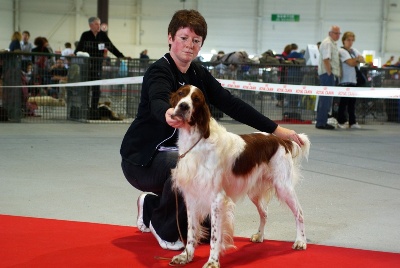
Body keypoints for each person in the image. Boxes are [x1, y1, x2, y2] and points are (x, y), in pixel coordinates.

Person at [120, 9, 304, 251]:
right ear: (170, 38)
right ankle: (162, 226)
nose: (189, 45)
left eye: (196, 41)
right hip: (143, 159)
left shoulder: (197, 73)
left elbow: (231, 104)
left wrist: (277, 130)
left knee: (205, 231)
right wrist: (167, 112)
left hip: (179, 153)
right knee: (185, 166)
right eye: (184, 38)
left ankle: (151, 206)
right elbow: (157, 98)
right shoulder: (159, 70)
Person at [74, 17, 126, 114]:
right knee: (85, 87)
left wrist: (120, 56)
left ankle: (94, 108)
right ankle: (84, 107)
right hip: (86, 66)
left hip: (97, 66)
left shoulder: (102, 35)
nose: (99, 26)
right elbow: (79, 48)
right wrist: (75, 53)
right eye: (96, 24)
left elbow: (111, 46)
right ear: (90, 25)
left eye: (99, 24)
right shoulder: (85, 35)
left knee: (96, 88)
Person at [337, 31, 365, 129]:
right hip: (344, 80)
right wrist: (357, 60)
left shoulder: (354, 50)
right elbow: (350, 63)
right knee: (343, 103)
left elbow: (363, 59)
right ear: (344, 40)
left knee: (352, 103)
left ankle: (352, 122)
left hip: (354, 80)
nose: (350, 42)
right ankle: (341, 121)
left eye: (352, 40)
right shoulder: (341, 51)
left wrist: (356, 60)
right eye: (348, 40)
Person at [316, 25, 341, 130]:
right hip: (327, 74)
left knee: (325, 99)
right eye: (336, 33)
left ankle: (322, 121)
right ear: (330, 33)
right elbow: (326, 59)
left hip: (328, 74)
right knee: (325, 99)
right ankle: (321, 123)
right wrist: (330, 73)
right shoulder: (327, 43)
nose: (338, 35)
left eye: (339, 33)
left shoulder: (331, 43)